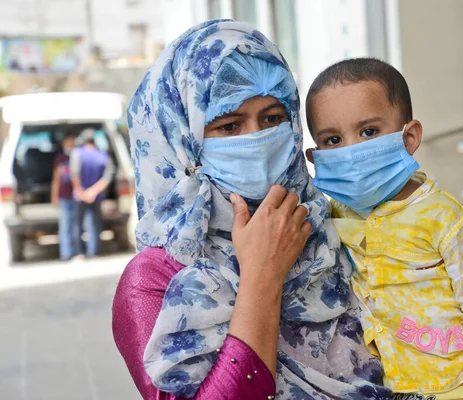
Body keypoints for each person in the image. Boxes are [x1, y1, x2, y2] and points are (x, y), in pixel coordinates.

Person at [112, 20, 392, 400]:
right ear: (181, 142)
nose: (257, 139)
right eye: (228, 126)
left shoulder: (326, 228)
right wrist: (263, 275)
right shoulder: (153, 277)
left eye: (273, 119)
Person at [305, 58, 463, 400]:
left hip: (450, 391)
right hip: (376, 388)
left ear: (410, 137)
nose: (352, 150)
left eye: (369, 131)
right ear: (315, 157)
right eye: (332, 139)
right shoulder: (331, 216)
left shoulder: (446, 219)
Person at [71, 128, 114, 259]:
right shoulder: (103, 156)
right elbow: (107, 178)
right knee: (95, 223)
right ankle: (95, 251)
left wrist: (80, 191)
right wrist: (93, 192)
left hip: (80, 195)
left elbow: (75, 173)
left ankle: (80, 253)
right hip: (96, 196)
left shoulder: (77, 153)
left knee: (78, 224)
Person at [51, 134, 76, 261]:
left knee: (76, 226)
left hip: (77, 196)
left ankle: (77, 252)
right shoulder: (60, 159)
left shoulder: (78, 156)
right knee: (65, 226)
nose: (70, 146)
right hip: (65, 197)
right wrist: (54, 196)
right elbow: (56, 179)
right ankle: (66, 253)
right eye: (68, 144)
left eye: (72, 144)